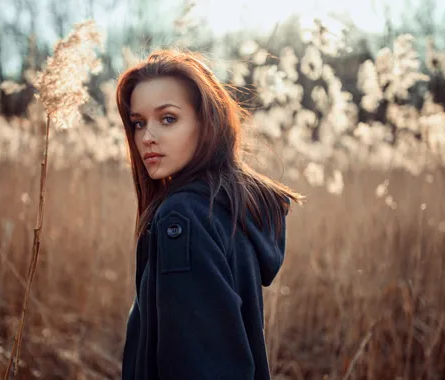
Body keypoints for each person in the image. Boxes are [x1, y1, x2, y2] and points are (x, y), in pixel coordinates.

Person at [115, 49, 304, 380]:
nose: (147, 137)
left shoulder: (183, 216)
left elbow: (199, 364)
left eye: (168, 119)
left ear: (207, 124)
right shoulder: (230, 203)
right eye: (139, 123)